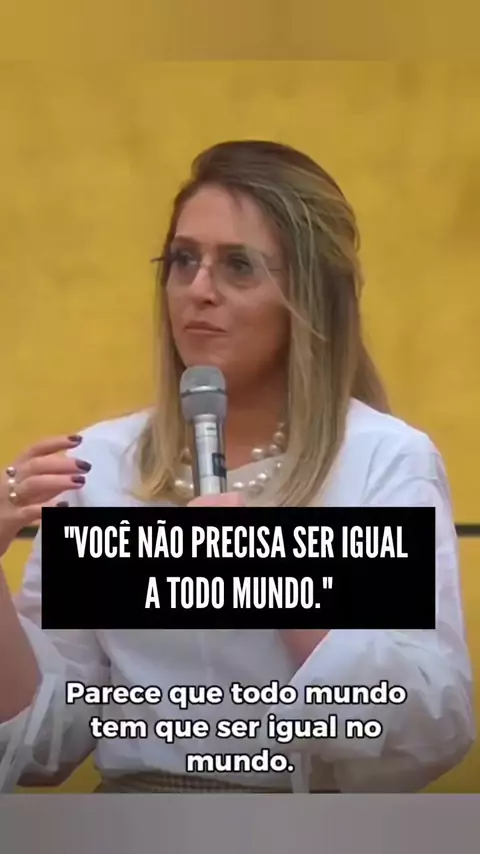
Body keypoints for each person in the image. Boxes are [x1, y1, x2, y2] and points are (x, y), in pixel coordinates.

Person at [0, 140, 475, 794]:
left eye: (238, 266)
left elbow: (432, 728)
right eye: (183, 260)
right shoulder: (99, 467)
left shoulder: (382, 458)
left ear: (309, 296)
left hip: (308, 824)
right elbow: (41, 748)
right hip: (136, 824)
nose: (199, 290)